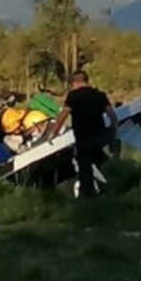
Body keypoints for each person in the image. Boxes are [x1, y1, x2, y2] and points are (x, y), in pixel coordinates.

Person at [45, 71, 120, 199]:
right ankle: (108, 186)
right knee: (98, 160)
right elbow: (113, 116)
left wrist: (52, 134)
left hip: (83, 138)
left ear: (75, 83)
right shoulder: (99, 95)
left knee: (85, 168)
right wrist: (112, 137)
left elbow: (62, 116)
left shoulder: (73, 96)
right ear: (87, 80)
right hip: (100, 136)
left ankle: (88, 195)